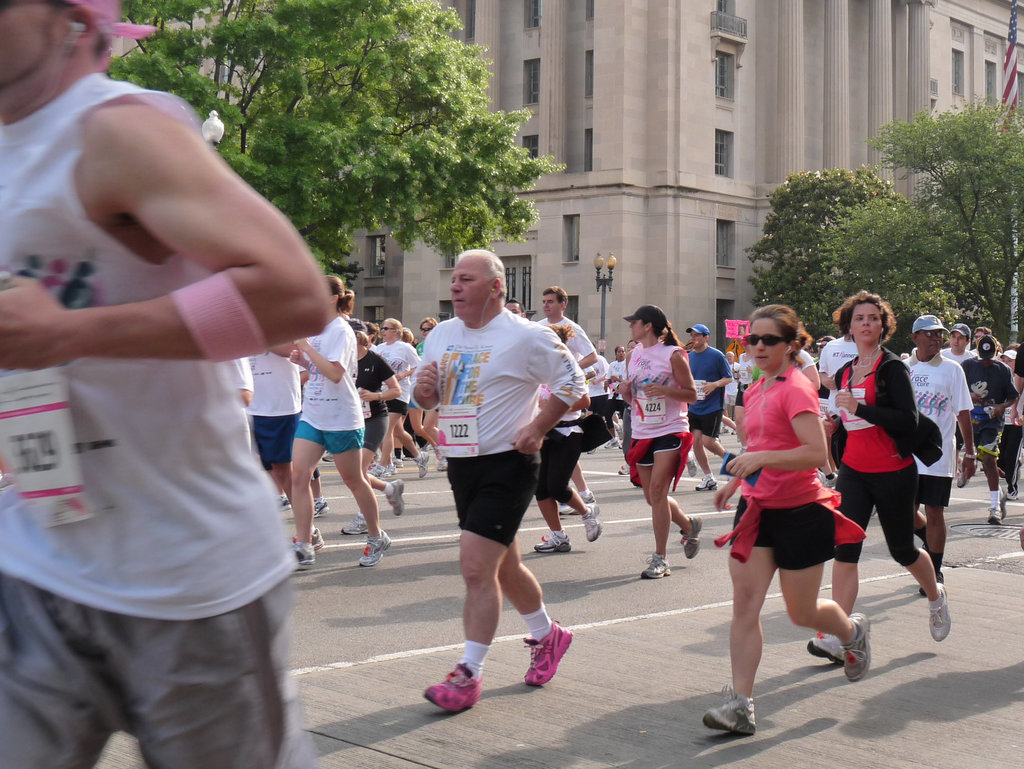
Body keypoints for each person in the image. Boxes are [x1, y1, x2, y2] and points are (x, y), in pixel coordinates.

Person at [0, 0, 325, 764]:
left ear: (70, 21)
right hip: (34, 558)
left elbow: (292, 294)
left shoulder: (115, 131)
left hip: (184, 580)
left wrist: (67, 334)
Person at [414, 250, 586, 713]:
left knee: (474, 569)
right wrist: (424, 390)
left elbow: (575, 389)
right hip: (461, 463)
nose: (454, 287)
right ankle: (548, 636)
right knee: (503, 568)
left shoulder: (528, 336)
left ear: (495, 287)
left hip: (509, 463)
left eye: (465, 279)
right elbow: (425, 396)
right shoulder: (442, 335)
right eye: (452, 278)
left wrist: (537, 427)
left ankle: (468, 674)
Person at [703, 305, 870, 736]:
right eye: (751, 340)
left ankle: (851, 632)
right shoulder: (757, 388)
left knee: (801, 613)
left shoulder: (797, 389)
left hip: (801, 513)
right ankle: (741, 703)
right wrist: (736, 480)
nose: (756, 347)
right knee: (745, 606)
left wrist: (758, 457)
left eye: (768, 340)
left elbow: (815, 453)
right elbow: (760, 446)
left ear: (791, 345)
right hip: (758, 510)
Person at [807, 292, 950, 667]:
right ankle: (840, 636)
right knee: (845, 550)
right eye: (859, 318)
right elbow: (848, 420)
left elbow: (909, 421)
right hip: (854, 470)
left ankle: (935, 595)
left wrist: (862, 408)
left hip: (893, 471)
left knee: (901, 549)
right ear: (848, 327)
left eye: (873, 318)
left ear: (883, 326)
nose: (866, 323)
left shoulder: (891, 369)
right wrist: (834, 421)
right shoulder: (842, 372)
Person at [290, 276, 389, 569]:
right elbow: (321, 370)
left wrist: (307, 350)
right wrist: (304, 360)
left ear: (333, 298)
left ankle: (376, 535)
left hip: (341, 417)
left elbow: (335, 374)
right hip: (314, 414)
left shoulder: (342, 331)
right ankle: (305, 543)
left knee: (353, 479)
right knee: (299, 475)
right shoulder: (318, 331)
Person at [618, 305, 704, 579]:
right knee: (653, 497)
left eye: (635, 322)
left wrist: (665, 390)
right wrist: (626, 393)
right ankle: (689, 525)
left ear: (648, 326)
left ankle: (660, 558)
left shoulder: (674, 354)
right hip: (643, 430)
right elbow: (635, 400)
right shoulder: (634, 355)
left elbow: (691, 394)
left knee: (657, 492)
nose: (630, 326)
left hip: (670, 428)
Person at [905, 315, 974, 590]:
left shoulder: (952, 370)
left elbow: (963, 412)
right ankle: (927, 537)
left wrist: (969, 454)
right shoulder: (900, 368)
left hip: (937, 455)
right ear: (915, 338)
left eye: (939, 334)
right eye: (930, 334)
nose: (937, 338)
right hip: (904, 455)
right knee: (901, 512)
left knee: (934, 512)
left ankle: (934, 570)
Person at [531, 324, 603, 553]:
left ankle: (587, 513)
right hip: (544, 433)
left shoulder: (570, 369)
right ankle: (558, 536)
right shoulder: (538, 369)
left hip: (568, 432)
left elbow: (584, 402)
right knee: (541, 489)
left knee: (557, 487)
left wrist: (553, 406)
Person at [340, 330, 405, 534]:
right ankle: (390, 488)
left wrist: (376, 396)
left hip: (375, 419)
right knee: (352, 474)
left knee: (359, 470)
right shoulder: (342, 360)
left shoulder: (374, 360)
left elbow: (396, 390)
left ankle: (363, 517)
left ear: (359, 340)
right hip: (351, 420)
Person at [962, 334, 1018, 524]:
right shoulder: (968, 366)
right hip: (971, 420)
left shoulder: (1002, 370)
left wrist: (1002, 407)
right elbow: (957, 389)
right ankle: (999, 493)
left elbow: (1012, 396)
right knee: (982, 462)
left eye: (989, 358)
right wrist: (969, 395)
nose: (986, 362)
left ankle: (994, 506)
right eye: (983, 358)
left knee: (988, 459)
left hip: (993, 422)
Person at [373, 317, 430, 478]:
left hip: (400, 392)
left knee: (386, 429)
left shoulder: (405, 348)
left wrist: (404, 374)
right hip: (383, 392)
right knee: (398, 432)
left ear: (396, 331)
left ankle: (383, 465)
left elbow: (418, 365)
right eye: (382, 328)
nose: (383, 331)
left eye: (386, 328)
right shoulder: (379, 349)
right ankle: (419, 456)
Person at [249, 345, 304, 512]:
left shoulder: (282, 322)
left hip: (280, 408)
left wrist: (257, 335)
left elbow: (293, 350)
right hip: (248, 406)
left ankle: (308, 530)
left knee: (283, 471)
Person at [684, 323, 733, 491]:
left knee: (708, 441)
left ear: (706, 338)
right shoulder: (689, 357)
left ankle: (732, 463)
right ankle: (709, 477)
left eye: (697, 335)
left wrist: (714, 385)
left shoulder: (717, 356)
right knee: (696, 441)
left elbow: (729, 378)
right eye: (692, 335)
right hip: (694, 406)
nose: (694, 338)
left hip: (713, 406)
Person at [410, 317, 444, 471]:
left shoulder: (441, 343)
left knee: (430, 426)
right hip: (426, 389)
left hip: (442, 389)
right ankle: (445, 453)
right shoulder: (421, 347)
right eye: (422, 329)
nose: (424, 332)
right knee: (426, 427)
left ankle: (446, 453)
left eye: (428, 329)